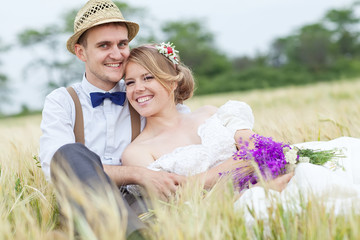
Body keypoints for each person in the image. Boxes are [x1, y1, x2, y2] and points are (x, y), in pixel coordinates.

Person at [121, 43, 360, 222]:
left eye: (148, 77)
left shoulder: (211, 114)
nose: (138, 88)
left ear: (172, 82)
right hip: (231, 212)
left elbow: (260, 148)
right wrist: (246, 178)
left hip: (276, 179)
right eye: (130, 82)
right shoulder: (137, 153)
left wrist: (200, 179)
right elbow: (177, 208)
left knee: (338, 158)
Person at [39, 0, 185, 238]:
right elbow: (57, 169)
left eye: (122, 44)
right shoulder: (61, 101)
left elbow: (184, 126)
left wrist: (235, 125)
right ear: (81, 52)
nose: (117, 54)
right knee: (68, 155)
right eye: (104, 45)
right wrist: (137, 173)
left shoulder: (142, 93)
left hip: (146, 208)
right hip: (88, 210)